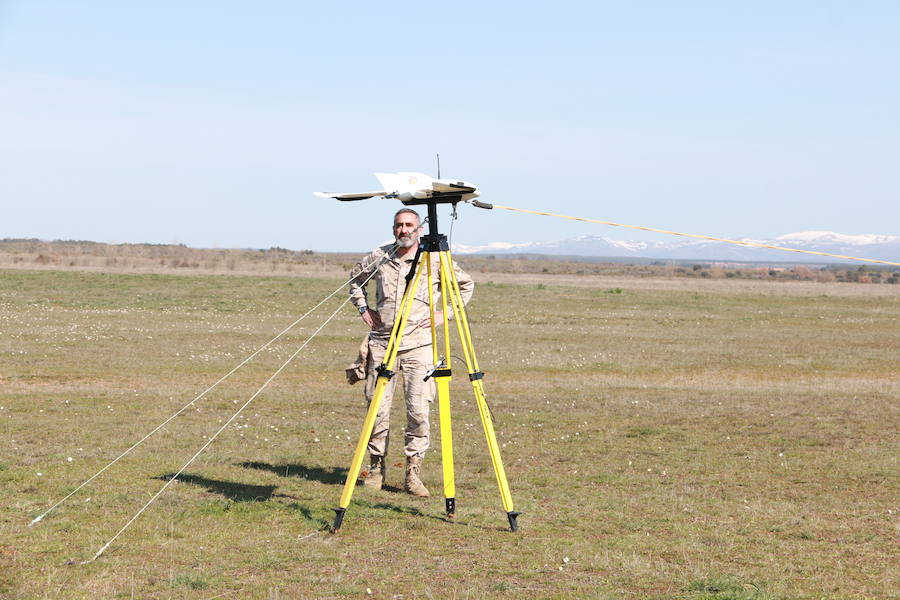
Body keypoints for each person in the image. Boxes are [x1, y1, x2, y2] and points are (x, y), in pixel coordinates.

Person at [348, 207, 473, 496]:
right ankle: (376, 467)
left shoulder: (435, 259)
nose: (403, 230)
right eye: (398, 225)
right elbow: (354, 281)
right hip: (382, 344)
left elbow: (465, 285)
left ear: (419, 229)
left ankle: (413, 472)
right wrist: (364, 308)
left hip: (419, 346)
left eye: (409, 225)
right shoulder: (379, 256)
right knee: (377, 410)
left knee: (418, 411)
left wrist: (446, 314)